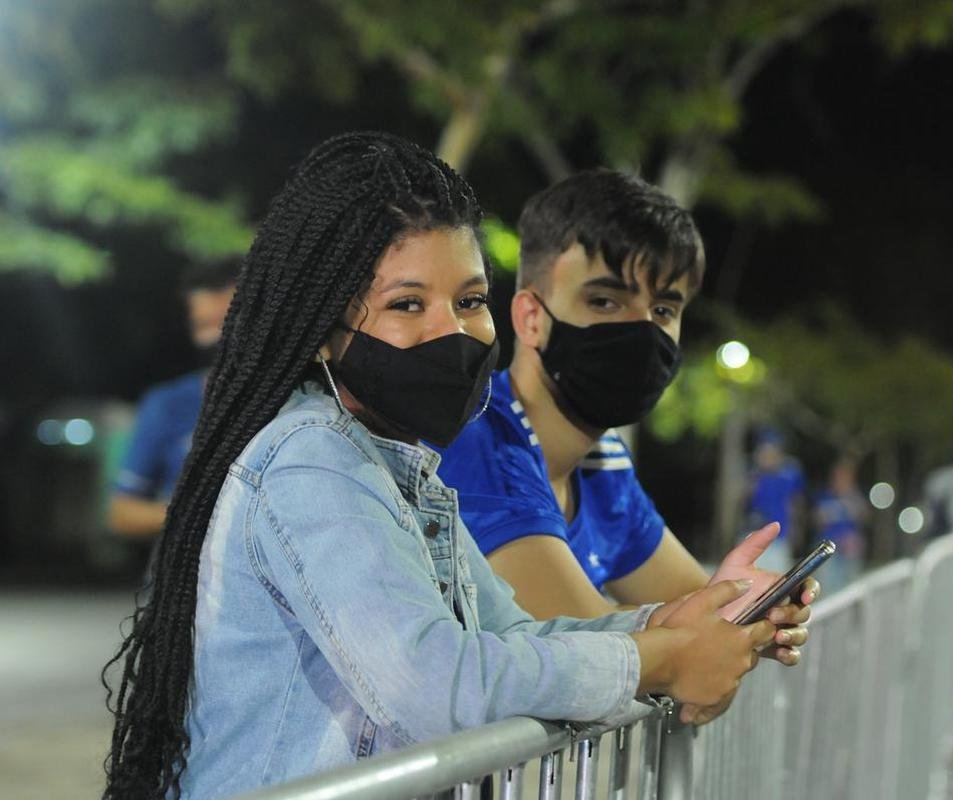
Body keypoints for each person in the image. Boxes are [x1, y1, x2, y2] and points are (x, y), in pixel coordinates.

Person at [102, 133, 803, 800]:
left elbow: (512, 635)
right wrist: (664, 660)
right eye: (407, 304)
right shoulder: (310, 462)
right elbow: (435, 686)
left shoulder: (395, 464)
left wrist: (682, 619)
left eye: (469, 301)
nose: (454, 331)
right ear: (326, 326)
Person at [437, 170, 820, 622]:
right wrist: (713, 627)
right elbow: (595, 661)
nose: (641, 331)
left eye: (663, 309)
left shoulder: (602, 462)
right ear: (531, 317)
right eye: (605, 302)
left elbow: (692, 617)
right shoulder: (479, 443)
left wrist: (744, 606)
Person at [107, 260, 239, 539]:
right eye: (204, 324)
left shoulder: (293, 401)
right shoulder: (167, 404)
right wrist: (206, 513)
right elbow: (121, 513)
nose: (214, 336)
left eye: (225, 322)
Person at [746, 430, 808, 574]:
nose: (767, 456)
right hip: (754, 535)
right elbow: (744, 502)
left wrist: (797, 529)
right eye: (763, 452)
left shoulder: (789, 474)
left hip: (780, 537)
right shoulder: (754, 475)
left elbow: (796, 503)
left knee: (778, 580)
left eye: (771, 451)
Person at [811, 457, 870, 593]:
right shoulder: (825, 497)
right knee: (829, 589)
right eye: (837, 477)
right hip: (829, 553)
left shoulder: (855, 497)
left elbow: (865, 517)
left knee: (850, 588)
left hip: (849, 552)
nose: (840, 480)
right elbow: (816, 520)